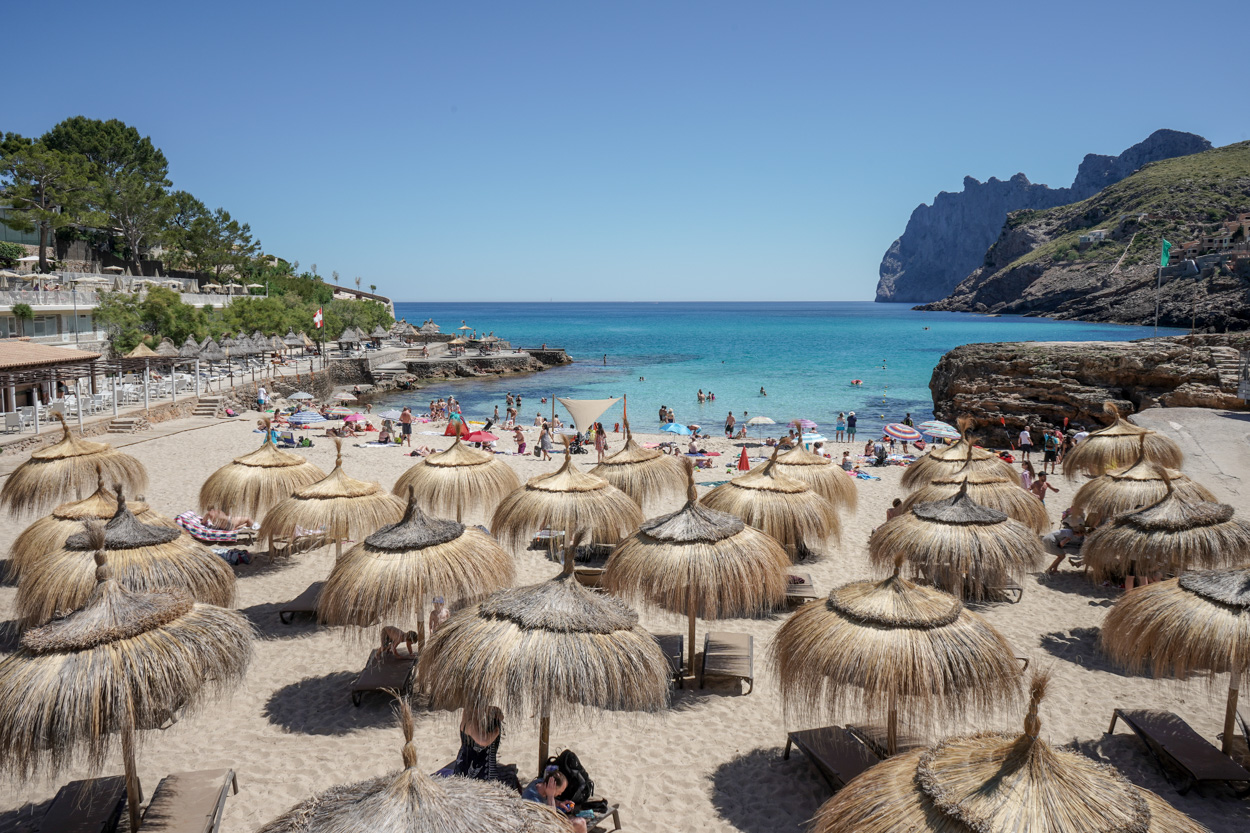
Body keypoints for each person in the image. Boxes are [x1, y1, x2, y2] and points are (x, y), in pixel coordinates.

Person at [523, 770, 587, 833]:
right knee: (580, 824)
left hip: (547, 820)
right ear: (552, 788)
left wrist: (559, 803)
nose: (560, 794)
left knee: (580, 821)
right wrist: (550, 796)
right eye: (559, 792)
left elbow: (545, 801)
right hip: (541, 826)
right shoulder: (533, 800)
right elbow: (552, 821)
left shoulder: (543, 783)